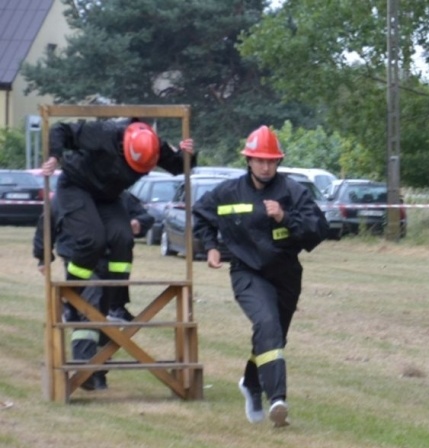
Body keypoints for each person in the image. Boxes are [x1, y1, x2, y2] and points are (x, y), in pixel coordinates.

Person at [192, 125, 331, 428]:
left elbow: (318, 232)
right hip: (247, 272)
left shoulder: (293, 193)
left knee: (274, 337)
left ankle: (251, 384)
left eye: (271, 161)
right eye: (259, 160)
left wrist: (285, 217)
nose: (265, 166)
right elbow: (201, 213)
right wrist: (211, 247)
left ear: (278, 162)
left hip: (286, 274)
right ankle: (277, 399)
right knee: (266, 324)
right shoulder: (228, 191)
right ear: (249, 161)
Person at [39, 118, 194, 323]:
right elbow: (61, 129)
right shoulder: (104, 132)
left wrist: (187, 155)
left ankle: (114, 306)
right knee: (92, 239)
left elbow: (179, 166)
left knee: (123, 238)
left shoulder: (154, 145)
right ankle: (70, 299)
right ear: (126, 147)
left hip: (108, 196)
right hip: (77, 187)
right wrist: (54, 156)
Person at [34, 188, 154, 392]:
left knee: (104, 319)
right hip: (79, 262)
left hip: (111, 265)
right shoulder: (68, 196)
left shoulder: (118, 195)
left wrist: (138, 223)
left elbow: (145, 216)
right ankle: (84, 370)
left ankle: (98, 372)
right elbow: (47, 224)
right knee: (90, 308)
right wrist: (42, 256)